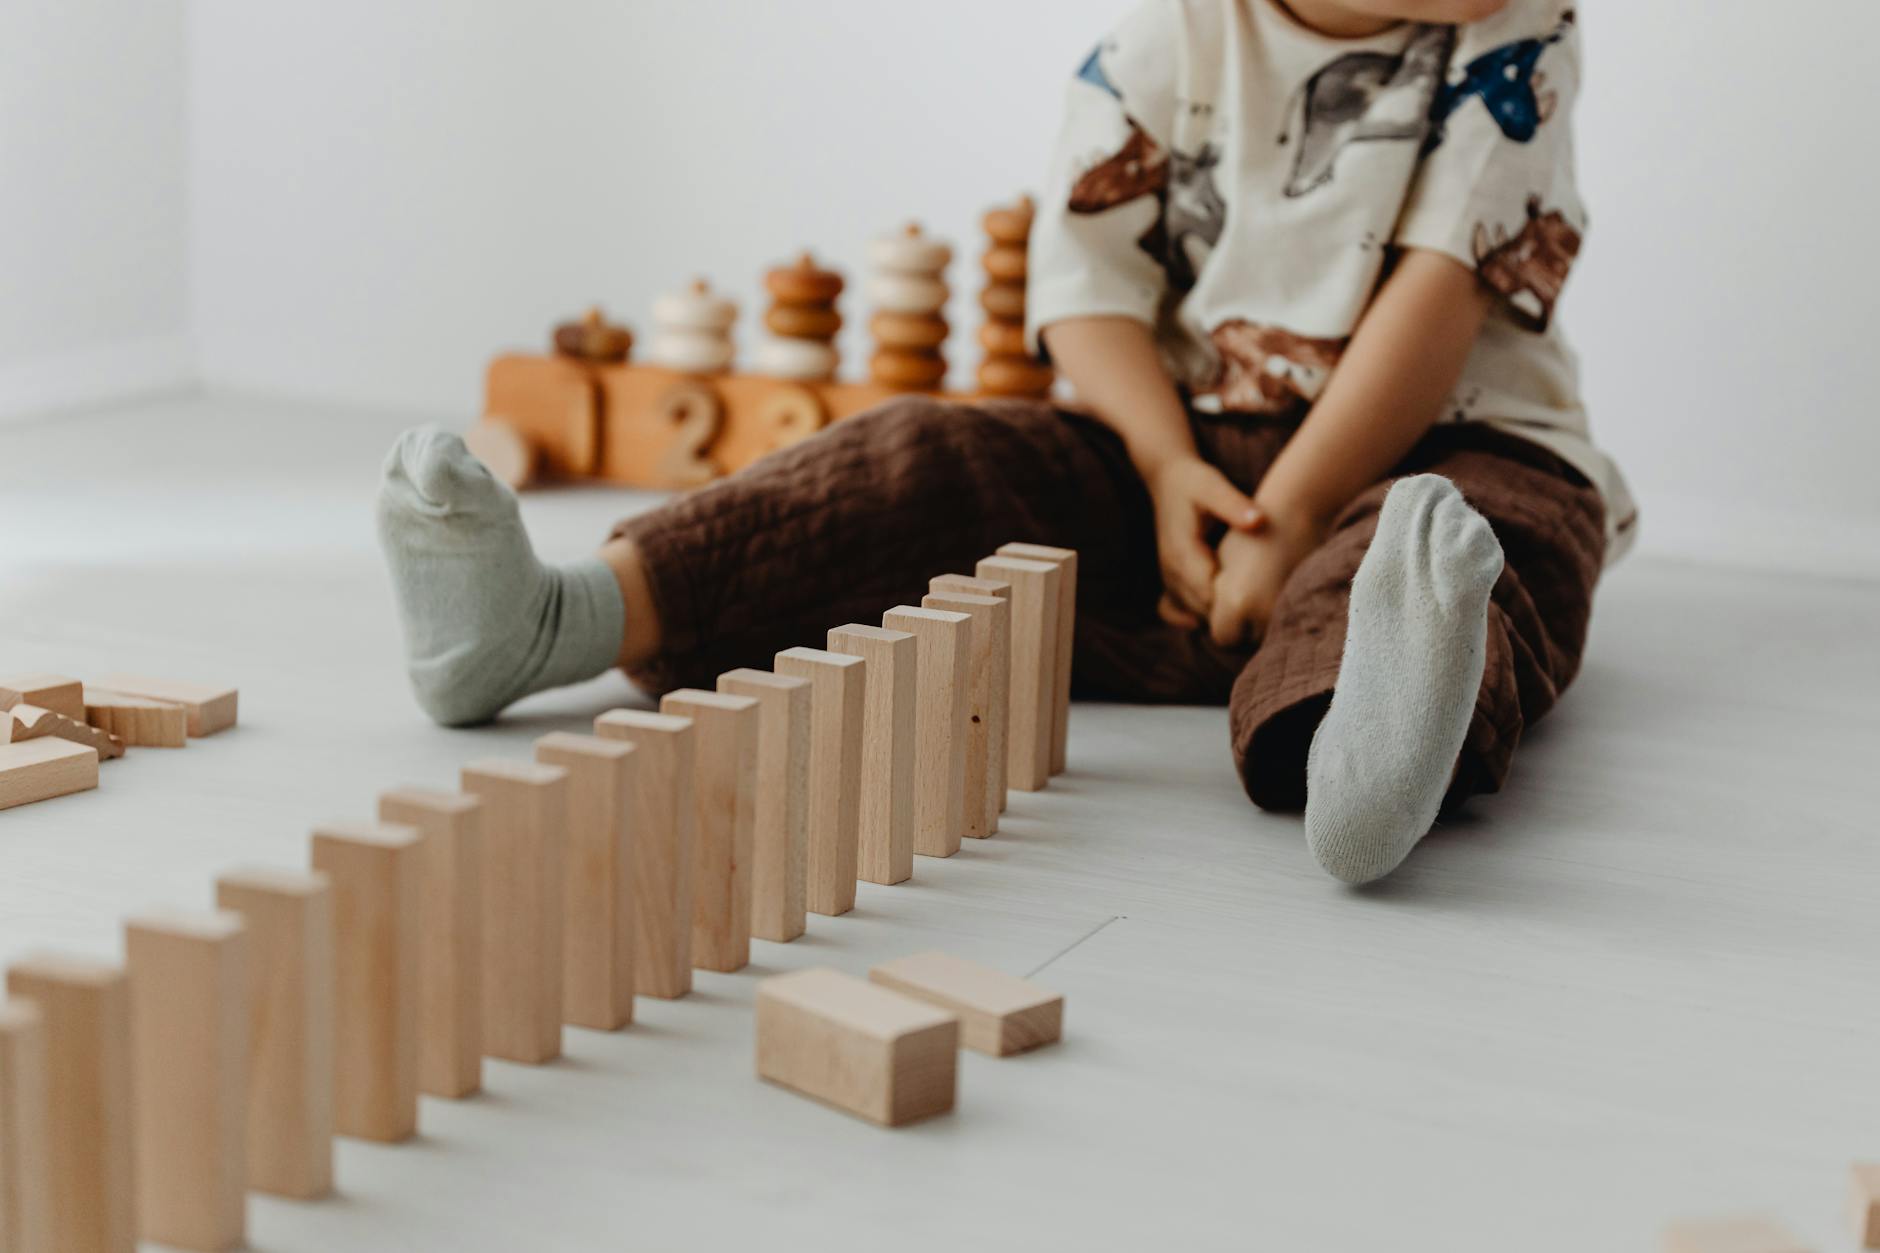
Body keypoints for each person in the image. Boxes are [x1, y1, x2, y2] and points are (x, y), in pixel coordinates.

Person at [376, 0, 1632, 885]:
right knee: (927, 457)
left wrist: (1297, 509)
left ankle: (1364, 743)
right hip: (1177, 459)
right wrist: (1159, 464)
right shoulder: (1167, 40)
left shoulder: (1517, 35)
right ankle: (558, 616)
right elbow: (1083, 289)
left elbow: (1438, 291)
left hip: (1431, 447)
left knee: (1480, 538)